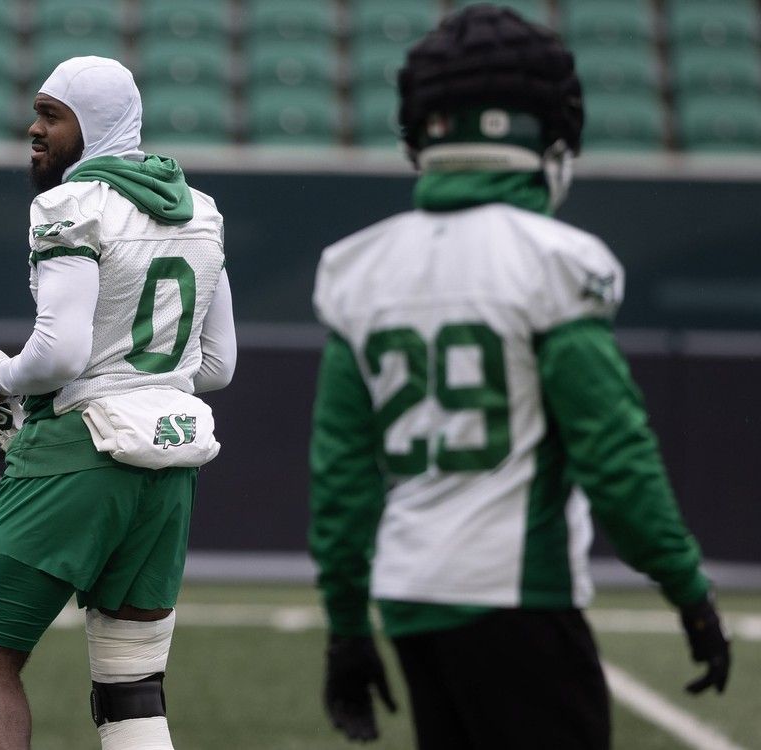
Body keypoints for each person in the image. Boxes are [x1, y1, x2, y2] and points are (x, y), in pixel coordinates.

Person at [308, 6, 730, 748]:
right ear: (548, 130)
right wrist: (687, 587)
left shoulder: (359, 267)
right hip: (516, 596)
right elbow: (615, 454)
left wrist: (346, 625)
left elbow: (342, 479)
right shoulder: (556, 261)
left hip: (410, 598)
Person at [0, 56, 236, 750]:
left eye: (51, 115)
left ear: (93, 125)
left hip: (78, 451)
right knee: (132, 690)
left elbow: (60, 354)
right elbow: (217, 365)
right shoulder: (202, 209)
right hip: (169, 459)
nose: (33, 129)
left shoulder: (68, 205)